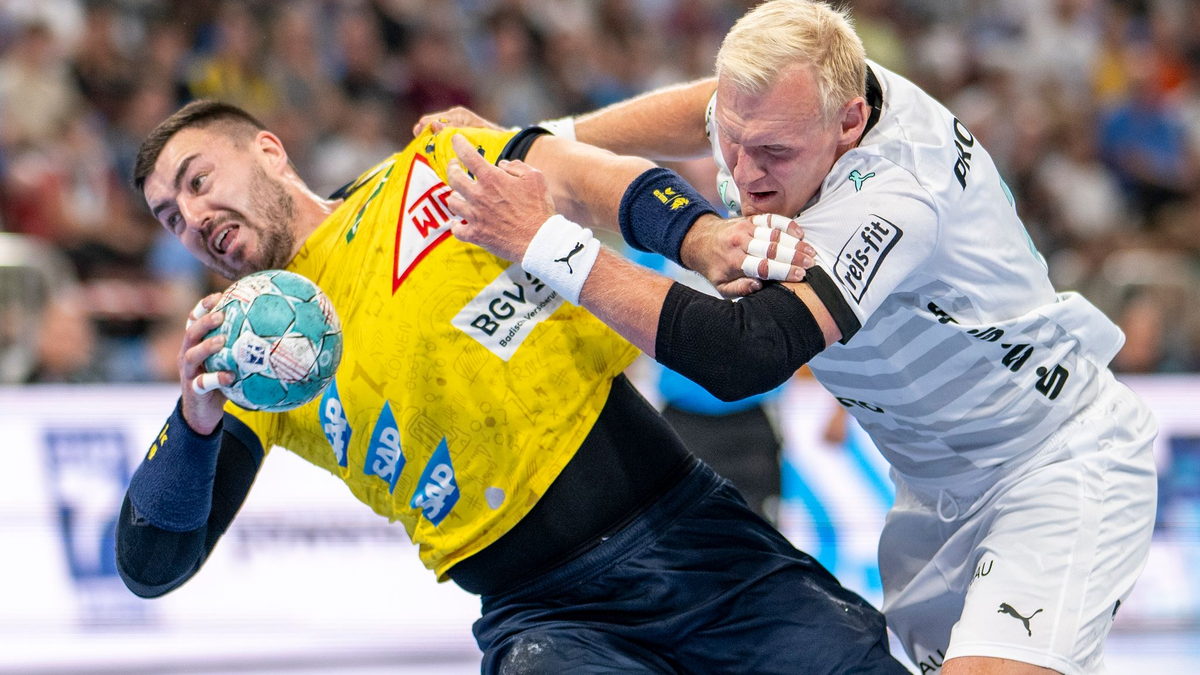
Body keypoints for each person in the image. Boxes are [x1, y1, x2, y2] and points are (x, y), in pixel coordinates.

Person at [425, 2, 1159, 674]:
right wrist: (543, 139)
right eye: (733, 141)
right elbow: (701, 108)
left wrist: (544, 242)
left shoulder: (895, 192)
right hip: (934, 493)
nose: (745, 175)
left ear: (848, 124)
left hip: (1052, 464)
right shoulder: (800, 106)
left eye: (772, 152)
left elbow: (742, 353)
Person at [115, 99, 911, 675]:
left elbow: (592, 180)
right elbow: (151, 564)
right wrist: (194, 419)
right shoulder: (251, 366)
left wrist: (702, 237)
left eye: (197, 180)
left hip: (692, 534)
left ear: (268, 150)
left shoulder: (425, 171)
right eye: (169, 217)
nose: (192, 216)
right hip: (548, 624)